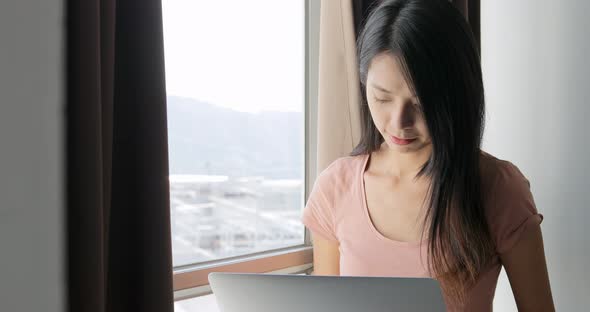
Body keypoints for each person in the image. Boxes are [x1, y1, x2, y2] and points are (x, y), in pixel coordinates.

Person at [301, 0, 555, 311]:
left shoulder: (498, 188)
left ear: (456, 96)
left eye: (421, 105)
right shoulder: (335, 187)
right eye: (382, 97)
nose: (398, 122)